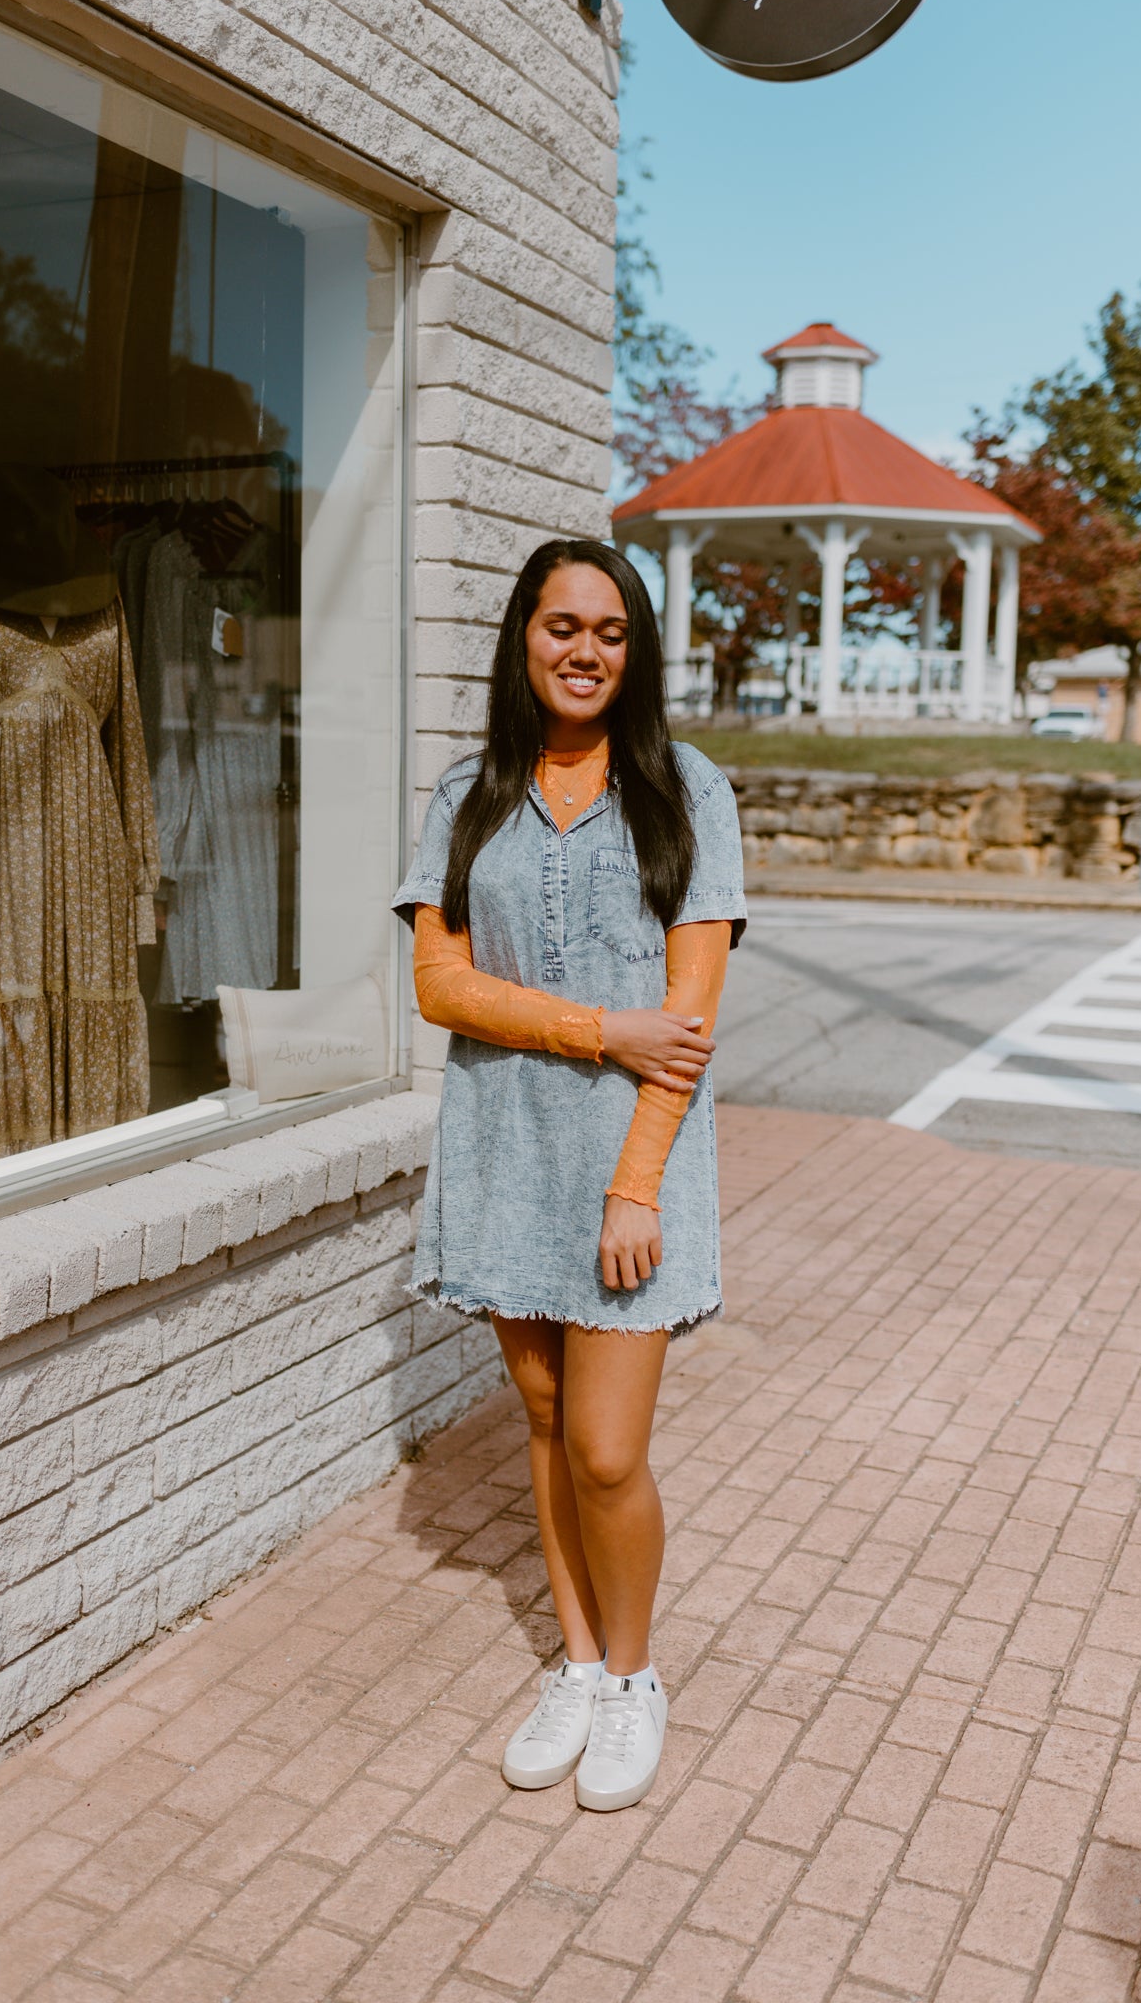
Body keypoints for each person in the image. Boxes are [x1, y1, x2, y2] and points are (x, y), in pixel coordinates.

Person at [392, 538, 745, 1811]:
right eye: (560, 625)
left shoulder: (686, 790)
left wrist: (635, 1183)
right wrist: (602, 1025)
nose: (584, 648)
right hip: (502, 1149)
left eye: (610, 629)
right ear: (521, 638)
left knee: (604, 1448)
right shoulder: (466, 794)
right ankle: (579, 1661)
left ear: (635, 649)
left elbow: (687, 1022)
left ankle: (637, 1675)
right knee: (540, 1425)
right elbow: (439, 983)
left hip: (626, 1172)